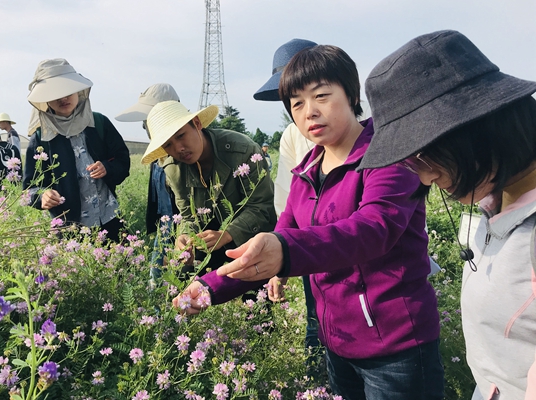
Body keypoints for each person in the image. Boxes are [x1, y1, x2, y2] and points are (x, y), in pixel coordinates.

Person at [175, 45, 444, 400]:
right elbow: (278, 238)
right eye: (297, 104)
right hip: (339, 344)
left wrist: (285, 252)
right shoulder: (306, 172)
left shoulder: (388, 156)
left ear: (351, 94)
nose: (309, 112)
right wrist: (209, 287)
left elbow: (374, 228)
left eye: (321, 96)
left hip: (396, 348)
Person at [359, 30, 536, 400]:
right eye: (410, 162)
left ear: (478, 126)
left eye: (423, 156)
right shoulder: (496, 201)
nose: (425, 177)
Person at [141, 100, 276, 276]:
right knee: (183, 280)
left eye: (181, 135)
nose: (178, 148)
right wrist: (185, 238)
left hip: (251, 238)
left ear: (197, 124)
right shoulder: (173, 168)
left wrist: (227, 233)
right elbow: (188, 216)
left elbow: (262, 205)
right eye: (167, 145)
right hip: (208, 246)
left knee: (257, 297)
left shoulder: (242, 150)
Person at [253, 37, 320, 370]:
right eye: (291, 97)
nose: (305, 108)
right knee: (317, 322)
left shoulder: (368, 125)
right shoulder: (293, 136)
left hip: (370, 257)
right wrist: (281, 261)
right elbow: (288, 202)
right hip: (311, 247)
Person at [23, 58, 130, 243]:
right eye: (55, 93)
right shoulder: (42, 137)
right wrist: (43, 196)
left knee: (120, 269)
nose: (63, 98)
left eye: (67, 91)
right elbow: (29, 189)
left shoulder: (99, 123)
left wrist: (107, 167)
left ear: (78, 90)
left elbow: (122, 160)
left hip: (109, 218)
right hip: (70, 228)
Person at [116, 83, 180, 276]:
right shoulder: (157, 153)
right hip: (165, 224)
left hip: (183, 227)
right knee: (156, 277)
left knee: (174, 277)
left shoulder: (185, 152)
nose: (146, 126)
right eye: (145, 122)